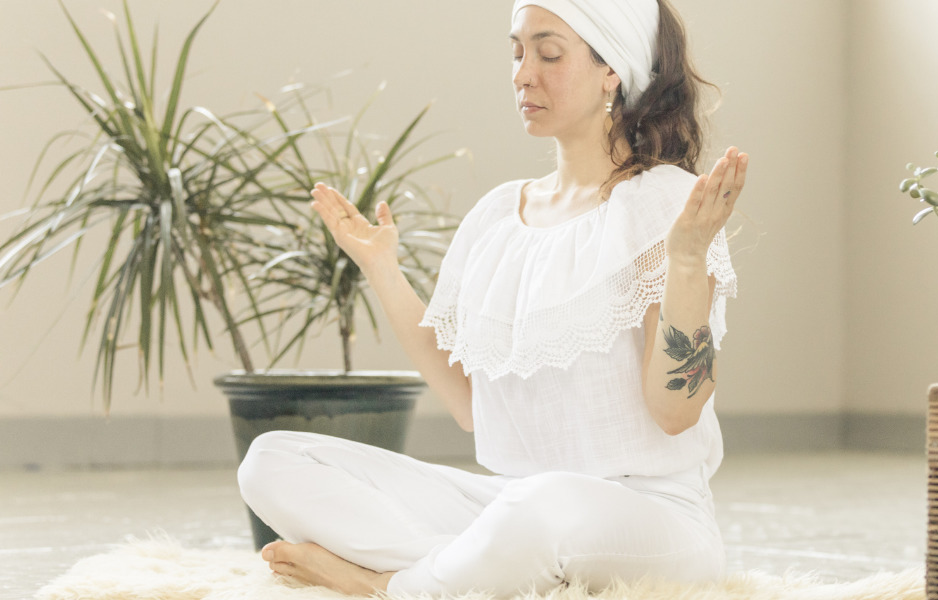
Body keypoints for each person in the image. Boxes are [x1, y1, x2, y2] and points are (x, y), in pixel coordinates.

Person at [236, 0, 749, 596]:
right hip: (515, 505)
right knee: (272, 461)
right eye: (516, 51)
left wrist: (686, 262)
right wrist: (380, 268)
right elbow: (469, 406)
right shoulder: (496, 218)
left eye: (548, 52)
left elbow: (675, 411)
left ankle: (388, 587)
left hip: (653, 519)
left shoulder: (666, 202)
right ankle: (481, 572)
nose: (523, 72)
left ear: (613, 70)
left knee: (541, 506)